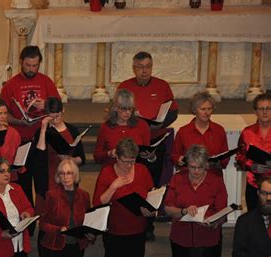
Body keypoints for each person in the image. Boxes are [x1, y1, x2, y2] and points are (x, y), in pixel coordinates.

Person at [118, 51, 179, 240]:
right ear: (134, 68)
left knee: (151, 184)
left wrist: (159, 124)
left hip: (155, 141)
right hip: (132, 142)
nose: (145, 71)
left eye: (148, 66)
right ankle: (129, 220)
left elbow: (173, 112)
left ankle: (148, 226)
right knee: (131, 182)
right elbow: (117, 111)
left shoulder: (162, 86)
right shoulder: (125, 86)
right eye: (140, 67)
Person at [164, 145, 227, 257]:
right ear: (187, 165)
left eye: (200, 167)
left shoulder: (216, 181)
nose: (196, 171)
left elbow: (223, 213)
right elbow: (168, 208)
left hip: (208, 239)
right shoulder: (178, 179)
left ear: (207, 164)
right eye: (192, 167)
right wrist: (183, 211)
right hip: (181, 239)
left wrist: (213, 222)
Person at [92, 138, 154, 257]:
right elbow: (97, 203)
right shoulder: (107, 172)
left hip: (137, 232)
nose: (129, 165)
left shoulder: (142, 170)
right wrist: (113, 187)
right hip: (114, 234)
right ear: (117, 158)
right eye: (125, 161)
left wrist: (151, 211)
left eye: (132, 161)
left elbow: (151, 197)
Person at [33, 97, 85, 257]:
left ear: (63, 112)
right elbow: (38, 154)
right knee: (46, 225)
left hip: (68, 182)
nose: (55, 119)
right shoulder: (44, 130)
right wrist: (43, 129)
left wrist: (69, 160)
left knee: (67, 221)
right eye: (51, 115)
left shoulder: (72, 130)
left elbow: (81, 158)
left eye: (57, 115)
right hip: (47, 182)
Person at [1, 45, 61, 205]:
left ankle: (43, 221)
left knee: (43, 183)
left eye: (35, 66)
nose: (31, 69)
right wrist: (18, 121)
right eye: (28, 65)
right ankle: (27, 220)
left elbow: (58, 109)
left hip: (41, 139)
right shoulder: (10, 85)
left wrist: (47, 106)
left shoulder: (45, 81)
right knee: (23, 183)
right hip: (20, 140)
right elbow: (2, 115)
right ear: (21, 62)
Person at [39, 158, 92, 257]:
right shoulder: (51, 195)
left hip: (76, 246)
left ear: (75, 175)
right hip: (55, 246)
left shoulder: (84, 195)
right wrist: (57, 229)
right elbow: (42, 223)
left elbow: (89, 220)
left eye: (69, 173)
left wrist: (90, 234)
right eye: (62, 173)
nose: (65, 177)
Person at [172, 91, 229, 175]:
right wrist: (178, 160)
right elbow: (174, 155)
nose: (206, 112)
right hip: (189, 178)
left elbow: (225, 157)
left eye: (209, 109)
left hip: (213, 177)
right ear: (194, 110)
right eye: (203, 109)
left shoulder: (219, 130)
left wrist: (218, 162)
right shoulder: (183, 131)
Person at [93, 88, 150, 165]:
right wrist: (110, 153)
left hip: (135, 168)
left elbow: (146, 153)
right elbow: (97, 157)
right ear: (116, 108)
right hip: (113, 168)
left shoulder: (142, 125)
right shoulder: (106, 127)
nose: (127, 112)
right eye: (123, 109)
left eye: (130, 109)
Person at [236, 92, 271, 212]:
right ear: (256, 112)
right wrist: (252, 166)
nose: (265, 112)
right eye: (261, 109)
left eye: (268, 108)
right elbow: (239, 157)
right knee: (254, 219)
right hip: (254, 184)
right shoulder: (247, 132)